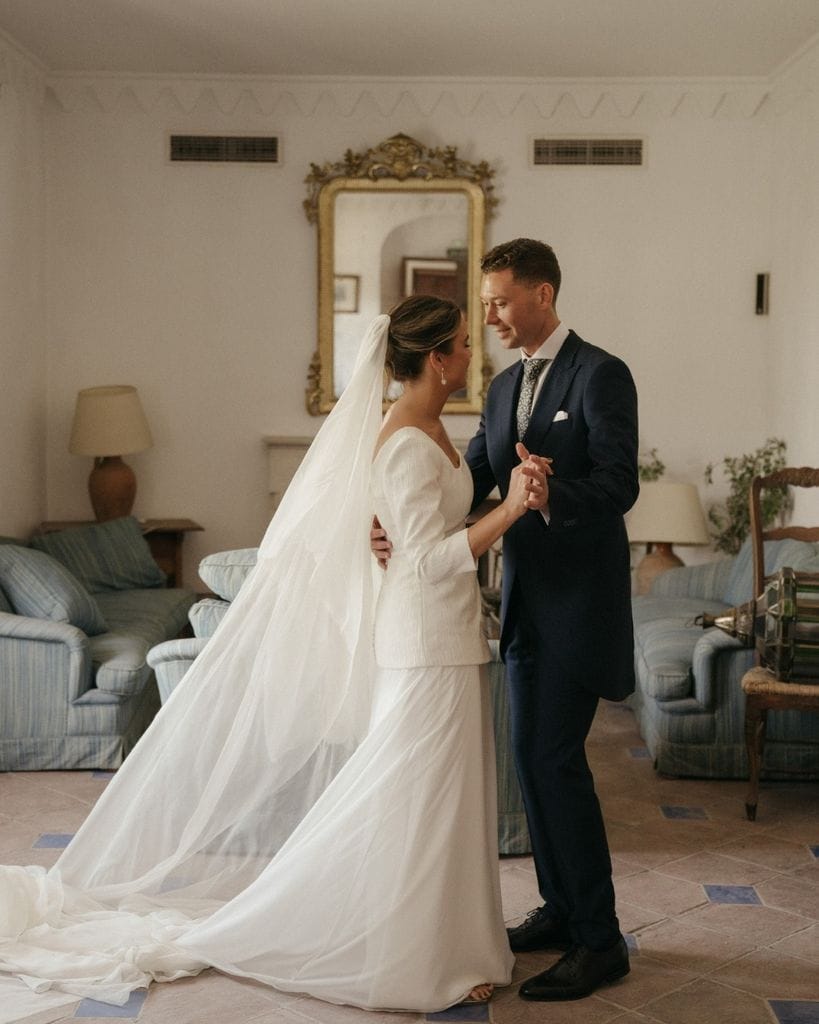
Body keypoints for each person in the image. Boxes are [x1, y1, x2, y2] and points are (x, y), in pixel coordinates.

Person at [0, 296, 549, 1020]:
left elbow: (407, 536)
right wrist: (506, 512)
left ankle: (454, 943)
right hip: (424, 647)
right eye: (459, 345)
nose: (470, 356)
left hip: (445, 640)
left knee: (444, 800)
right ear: (434, 359)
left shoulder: (433, 427)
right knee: (419, 800)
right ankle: (415, 955)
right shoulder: (406, 441)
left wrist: (453, 513)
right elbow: (423, 563)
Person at [374, 238, 639, 1001]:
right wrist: (392, 521)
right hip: (520, 611)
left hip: (578, 613)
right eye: (483, 304)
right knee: (530, 765)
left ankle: (599, 939)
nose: (486, 313)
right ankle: (558, 909)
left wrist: (551, 495)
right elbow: (466, 481)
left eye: (497, 298)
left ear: (542, 296)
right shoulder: (500, 389)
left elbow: (618, 485)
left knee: (555, 764)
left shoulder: (601, 374)